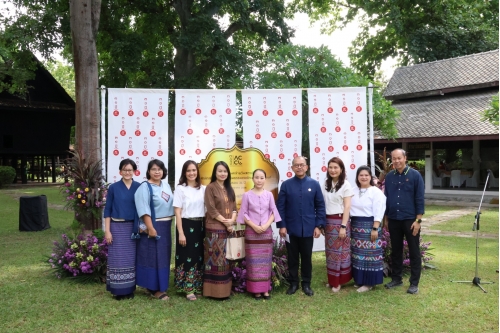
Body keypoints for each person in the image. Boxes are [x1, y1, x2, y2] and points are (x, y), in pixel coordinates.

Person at [277, 156, 326, 296]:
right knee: (292, 258)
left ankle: (306, 284)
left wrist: (318, 226)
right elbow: (281, 207)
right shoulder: (286, 185)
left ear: (306, 167)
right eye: (296, 165)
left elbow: (320, 206)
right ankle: (293, 283)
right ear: (292, 168)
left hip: (308, 228)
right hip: (290, 229)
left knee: (306, 257)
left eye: (302, 165)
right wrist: (282, 225)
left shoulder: (314, 184)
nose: (299, 167)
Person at [384, 148, 424, 294]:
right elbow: (387, 199)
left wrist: (418, 220)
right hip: (394, 219)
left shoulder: (415, 175)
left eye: (399, 158)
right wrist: (386, 219)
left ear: (405, 158)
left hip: (410, 220)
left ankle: (414, 283)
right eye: (394, 159)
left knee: (414, 251)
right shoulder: (389, 177)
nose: (396, 161)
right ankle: (396, 279)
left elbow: (419, 198)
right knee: (396, 251)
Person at [237, 169, 281, 300]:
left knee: (265, 261)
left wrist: (266, 225)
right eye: (257, 177)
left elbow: (274, 211)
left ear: (265, 179)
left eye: (262, 178)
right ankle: (256, 290)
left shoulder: (269, 195)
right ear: (252, 179)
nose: (259, 180)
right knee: (254, 262)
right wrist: (255, 226)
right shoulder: (247, 195)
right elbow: (243, 214)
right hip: (252, 232)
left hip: (266, 232)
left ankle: (265, 289)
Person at [134, 159, 173, 301]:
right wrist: (150, 228)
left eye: (160, 169)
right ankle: (152, 288)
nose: (157, 172)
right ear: (148, 171)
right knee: (151, 257)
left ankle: (161, 285)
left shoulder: (166, 185)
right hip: (153, 226)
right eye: (154, 169)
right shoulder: (144, 187)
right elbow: (143, 209)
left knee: (163, 257)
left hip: (166, 225)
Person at [104, 159, 141, 300]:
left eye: (130, 170)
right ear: (120, 171)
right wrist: (107, 231)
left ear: (134, 171)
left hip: (132, 227)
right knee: (117, 259)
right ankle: (117, 290)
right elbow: (107, 210)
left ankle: (129, 289)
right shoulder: (113, 187)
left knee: (130, 259)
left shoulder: (138, 187)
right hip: (116, 227)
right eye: (125, 170)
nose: (127, 172)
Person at [203, 161, 237, 299]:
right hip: (214, 229)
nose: (222, 173)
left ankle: (225, 292)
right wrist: (226, 222)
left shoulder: (230, 188)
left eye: (225, 171)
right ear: (215, 173)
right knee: (214, 261)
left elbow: (235, 208)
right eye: (220, 171)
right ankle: (213, 292)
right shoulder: (210, 188)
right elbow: (211, 209)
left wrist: (232, 221)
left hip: (227, 229)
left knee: (225, 261)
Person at [350, 166, 386, 292]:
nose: (364, 177)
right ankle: (359, 280)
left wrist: (375, 228)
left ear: (370, 177)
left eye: (366, 175)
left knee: (370, 255)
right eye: (361, 175)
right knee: (358, 255)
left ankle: (369, 283)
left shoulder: (376, 192)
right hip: (355, 226)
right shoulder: (353, 190)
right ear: (357, 177)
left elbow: (379, 210)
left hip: (370, 226)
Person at [173, 160, 206, 301]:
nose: (191, 173)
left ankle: (197, 285)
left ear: (197, 171)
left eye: (194, 170)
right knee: (186, 255)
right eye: (188, 171)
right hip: (186, 225)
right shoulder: (180, 189)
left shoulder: (203, 189)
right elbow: (178, 212)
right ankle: (187, 288)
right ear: (184, 173)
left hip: (200, 226)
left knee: (198, 256)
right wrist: (181, 232)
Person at [321, 157, 353, 293]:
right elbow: (322, 205)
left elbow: (347, 207)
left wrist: (343, 226)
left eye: (336, 167)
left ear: (341, 170)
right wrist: (322, 224)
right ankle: (332, 280)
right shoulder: (325, 184)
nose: (333, 170)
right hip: (328, 222)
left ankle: (339, 282)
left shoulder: (345, 185)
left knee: (341, 253)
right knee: (330, 253)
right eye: (331, 167)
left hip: (340, 221)